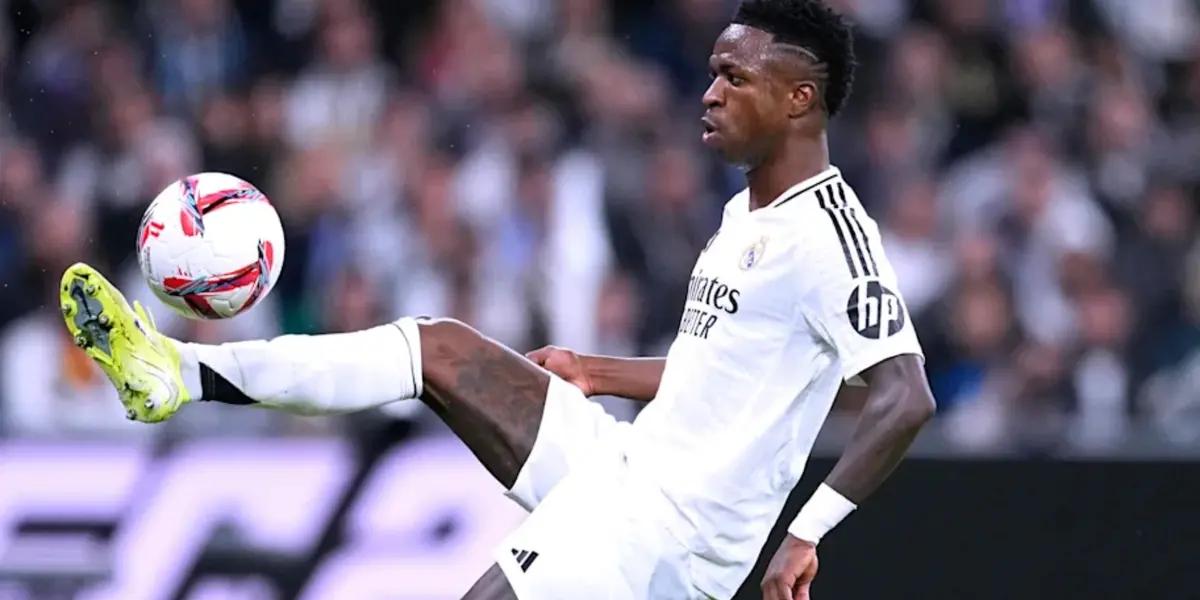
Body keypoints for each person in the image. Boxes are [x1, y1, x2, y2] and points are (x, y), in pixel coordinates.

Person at [58, 1, 935, 598]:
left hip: (670, 530)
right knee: (437, 347)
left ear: (799, 98)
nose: (709, 93)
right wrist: (597, 371)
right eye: (712, 71)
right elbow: (722, 375)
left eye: (734, 78)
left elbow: (904, 396)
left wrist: (806, 533)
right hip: (628, 464)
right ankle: (177, 372)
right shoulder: (749, 209)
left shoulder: (831, 236)